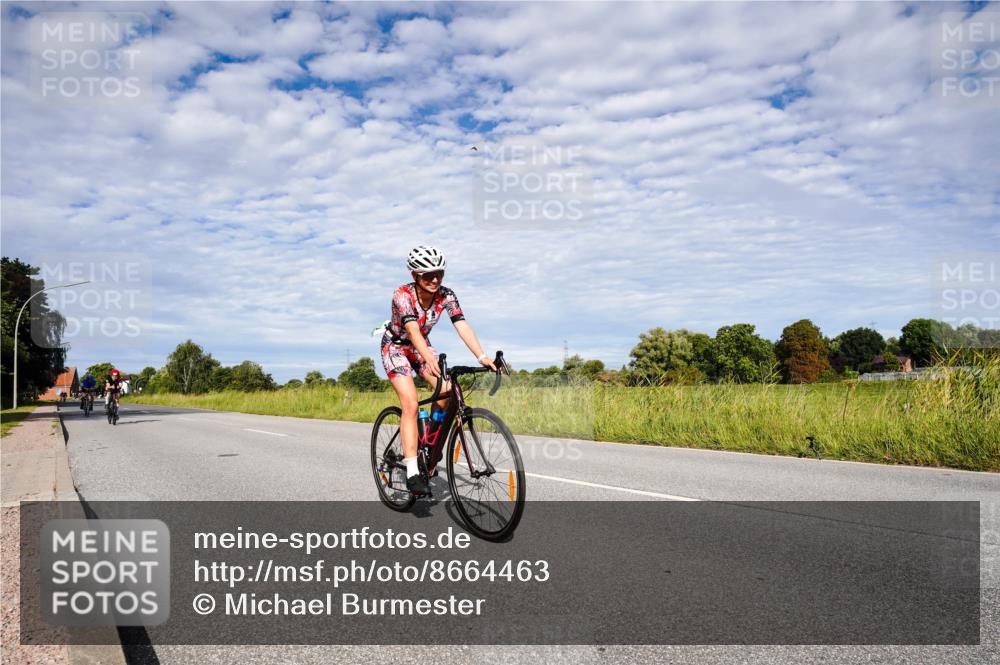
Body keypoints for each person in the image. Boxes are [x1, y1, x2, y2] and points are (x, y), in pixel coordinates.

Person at [380, 246, 495, 496]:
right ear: (415, 276)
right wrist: (426, 357)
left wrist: (482, 356)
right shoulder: (402, 295)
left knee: (448, 392)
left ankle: (430, 447)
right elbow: (411, 331)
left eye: (439, 273)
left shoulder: (446, 295)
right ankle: (412, 470)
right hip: (397, 348)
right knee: (410, 403)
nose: (435, 280)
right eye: (427, 275)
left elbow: (461, 324)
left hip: (422, 346)